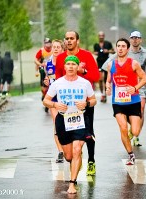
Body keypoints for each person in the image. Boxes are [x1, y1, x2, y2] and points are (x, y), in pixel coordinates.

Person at [43, 55, 97, 194]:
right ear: (65, 67)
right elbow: (46, 100)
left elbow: (93, 100)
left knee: (77, 150)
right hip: (63, 120)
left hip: (80, 119)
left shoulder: (84, 83)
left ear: (78, 67)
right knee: (68, 156)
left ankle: (72, 183)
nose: (71, 66)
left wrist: (86, 103)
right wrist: (55, 104)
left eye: (74, 64)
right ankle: (75, 162)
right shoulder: (58, 83)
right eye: (69, 64)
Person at [102, 30, 146, 146]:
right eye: (133, 38)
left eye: (137, 38)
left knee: (141, 109)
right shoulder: (121, 51)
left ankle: (136, 135)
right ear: (130, 39)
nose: (135, 40)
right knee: (127, 115)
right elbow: (107, 67)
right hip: (122, 89)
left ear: (140, 39)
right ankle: (133, 128)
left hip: (139, 86)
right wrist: (107, 85)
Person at [55, 31, 100, 176]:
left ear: (77, 41)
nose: (69, 41)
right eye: (67, 39)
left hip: (84, 104)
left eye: (72, 38)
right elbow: (58, 79)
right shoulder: (61, 57)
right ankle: (75, 160)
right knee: (70, 140)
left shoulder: (86, 55)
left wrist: (83, 70)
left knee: (87, 134)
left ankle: (91, 161)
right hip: (67, 106)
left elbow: (96, 76)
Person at [105, 37, 146, 165]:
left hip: (133, 101)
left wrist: (135, 88)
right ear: (116, 48)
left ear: (128, 49)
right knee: (122, 128)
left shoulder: (134, 63)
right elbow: (108, 80)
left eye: (123, 46)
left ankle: (132, 128)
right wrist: (107, 87)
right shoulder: (111, 64)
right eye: (118, 46)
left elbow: (144, 78)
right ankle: (131, 154)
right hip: (118, 102)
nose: (120, 48)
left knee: (135, 131)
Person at [43, 39, 65, 163]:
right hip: (53, 97)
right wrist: (46, 81)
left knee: (67, 124)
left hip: (65, 97)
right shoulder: (48, 62)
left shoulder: (66, 62)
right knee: (57, 124)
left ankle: (69, 147)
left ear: (62, 49)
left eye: (58, 47)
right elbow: (48, 77)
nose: (56, 49)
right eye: (54, 47)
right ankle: (60, 151)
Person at [93, 31, 114, 103]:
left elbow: (113, 51)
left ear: (104, 36)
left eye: (102, 35)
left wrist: (107, 51)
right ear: (98, 36)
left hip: (106, 62)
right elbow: (94, 52)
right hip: (99, 62)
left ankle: (104, 95)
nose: (101, 37)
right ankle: (102, 93)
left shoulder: (108, 43)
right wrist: (96, 52)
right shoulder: (96, 45)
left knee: (106, 80)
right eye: (100, 35)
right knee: (100, 79)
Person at [34, 38, 52, 111]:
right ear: (44, 44)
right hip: (43, 70)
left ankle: (48, 100)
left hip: (52, 70)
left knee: (51, 85)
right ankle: (44, 96)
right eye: (46, 43)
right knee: (43, 88)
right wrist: (40, 64)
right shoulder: (41, 51)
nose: (48, 44)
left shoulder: (54, 49)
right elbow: (35, 60)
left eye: (49, 43)